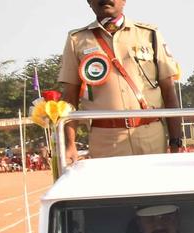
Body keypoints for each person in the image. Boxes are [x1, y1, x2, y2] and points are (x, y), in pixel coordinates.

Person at [59, 0, 184, 161]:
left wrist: (176, 140)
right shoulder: (76, 40)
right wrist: (69, 145)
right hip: (105, 140)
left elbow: (168, 90)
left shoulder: (149, 34)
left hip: (150, 135)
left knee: (154, 185)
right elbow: (70, 98)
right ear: (89, 2)